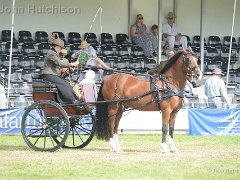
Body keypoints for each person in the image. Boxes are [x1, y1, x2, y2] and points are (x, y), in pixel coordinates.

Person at [41, 38, 80, 104]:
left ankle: (75, 98)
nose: (61, 49)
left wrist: (70, 68)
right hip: (48, 75)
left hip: (53, 74)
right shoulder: (51, 53)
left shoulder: (54, 53)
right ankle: (71, 100)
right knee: (62, 83)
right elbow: (59, 63)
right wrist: (72, 64)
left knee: (66, 83)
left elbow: (59, 66)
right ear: (58, 47)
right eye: (61, 48)